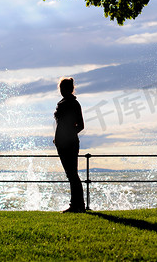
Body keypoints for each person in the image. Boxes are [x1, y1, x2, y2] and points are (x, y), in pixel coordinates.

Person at [53, 77, 86, 213]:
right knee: (71, 174)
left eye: (63, 88)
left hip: (68, 143)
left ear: (69, 89)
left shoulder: (71, 103)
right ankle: (78, 205)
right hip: (65, 143)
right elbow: (77, 126)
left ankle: (77, 205)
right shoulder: (68, 103)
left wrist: (67, 136)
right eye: (60, 89)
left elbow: (80, 125)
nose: (61, 91)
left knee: (72, 174)